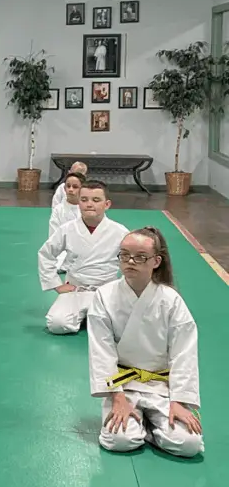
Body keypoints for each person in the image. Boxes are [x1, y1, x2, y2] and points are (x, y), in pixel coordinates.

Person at [87, 227, 203, 458]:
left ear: (156, 261)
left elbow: (184, 354)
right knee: (119, 440)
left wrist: (179, 400)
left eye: (140, 256)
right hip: (123, 383)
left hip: (162, 385)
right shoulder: (104, 295)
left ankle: (150, 428)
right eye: (124, 254)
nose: (130, 261)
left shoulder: (170, 301)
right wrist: (117, 398)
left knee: (189, 444)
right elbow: (102, 352)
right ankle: (140, 426)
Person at [38, 180, 128, 334]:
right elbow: (46, 254)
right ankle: (87, 315)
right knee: (57, 324)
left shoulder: (120, 232)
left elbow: (132, 263)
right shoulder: (67, 229)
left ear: (107, 204)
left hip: (107, 290)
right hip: (76, 289)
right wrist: (56, 284)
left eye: (96, 200)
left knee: (123, 329)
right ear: (78, 203)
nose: (89, 204)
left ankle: (91, 315)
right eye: (84, 200)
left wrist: (126, 288)